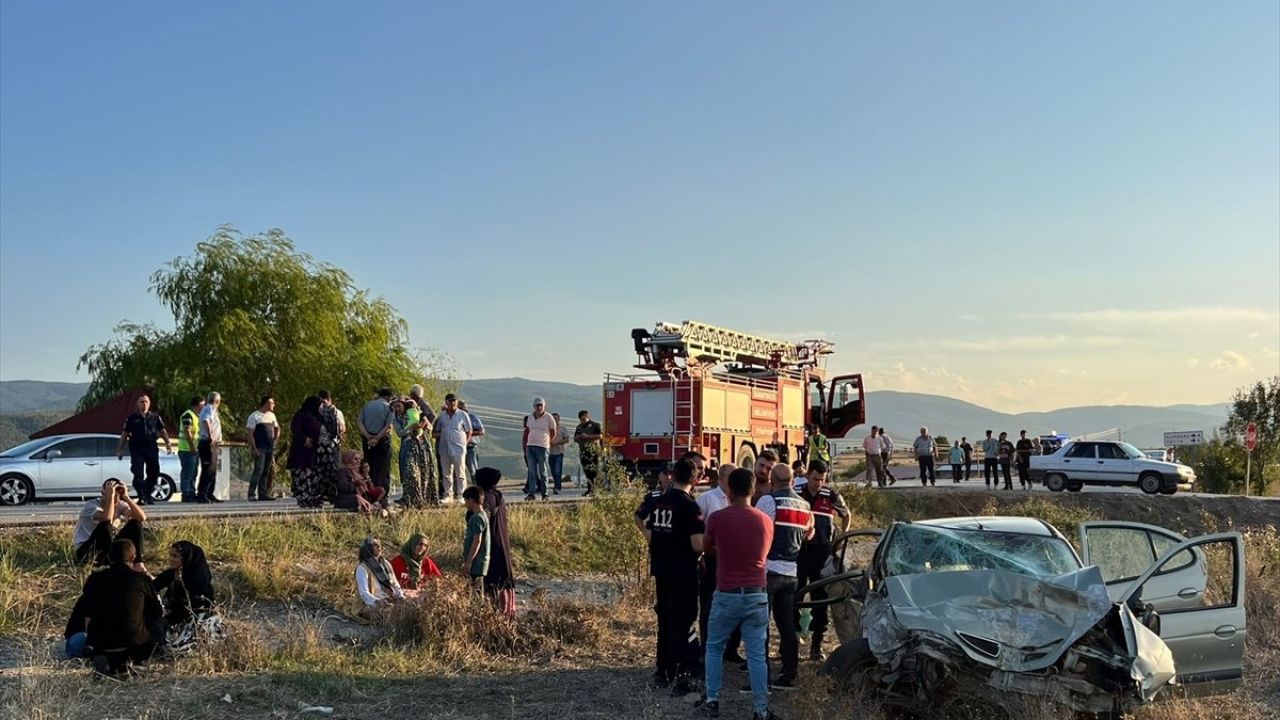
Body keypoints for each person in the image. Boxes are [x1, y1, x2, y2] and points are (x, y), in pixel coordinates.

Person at [700, 468, 776, 720]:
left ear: (729, 491)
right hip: (757, 593)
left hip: (727, 592)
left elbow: (707, 547)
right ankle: (761, 709)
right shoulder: (765, 520)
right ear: (753, 490)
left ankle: (712, 699)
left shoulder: (718, 519)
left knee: (714, 647)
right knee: (757, 655)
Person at [645, 458, 705, 697]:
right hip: (684, 572)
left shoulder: (661, 502)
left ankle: (663, 670)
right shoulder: (691, 507)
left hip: (661, 570)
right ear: (694, 479)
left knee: (665, 621)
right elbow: (697, 544)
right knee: (684, 622)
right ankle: (683, 671)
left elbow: (648, 527)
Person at [753, 463, 813, 689]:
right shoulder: (804, 505)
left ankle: (762, 675)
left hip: (769, 571)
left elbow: (756, 530)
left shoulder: (768, 501)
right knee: (787, 625)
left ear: (771, 479)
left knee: (761, 626)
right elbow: (808, 534)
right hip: (791, 572)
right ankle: (789, 673)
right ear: (792, 480)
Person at [75, 539, 163, 676]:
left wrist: (91, 641)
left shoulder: (95, 579)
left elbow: (87, 611)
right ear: (133, 558)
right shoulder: (140, 579)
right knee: (157, 623)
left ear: (109, 557)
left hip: (100, 642)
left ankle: (104, 658)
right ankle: (130, 663)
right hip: (135, 643)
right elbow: (157, 612)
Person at [796, 460, 849, 661]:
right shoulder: (797, 491)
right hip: (800, 552)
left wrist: (841, 539)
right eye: (815, 478)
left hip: (822, 553)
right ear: (808, 475)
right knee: (794, 597)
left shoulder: (831, 494)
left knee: (820, 601)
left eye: (822, 479)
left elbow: (846, 515)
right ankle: (792, 641)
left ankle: (816, 647)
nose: (818, 483)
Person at [697, 463, 740, 658]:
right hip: (712, 559)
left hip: (734, 561)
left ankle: (731, 649)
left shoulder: (740, 500)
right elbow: (698, 530)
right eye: (731, 477)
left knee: (735, 605)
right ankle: (706, 645)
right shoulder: (707, 499)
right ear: (722, 478)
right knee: (709, 604)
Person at [152, 540, 222, 653]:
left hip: (196, 619)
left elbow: (198, 606)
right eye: (170, 555)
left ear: (186, 558)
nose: (171, 559)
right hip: (176, 615)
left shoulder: (198, 578)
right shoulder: (175, 573)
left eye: (175, 556)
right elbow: (154, 587)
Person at [474, 468, 517, 617]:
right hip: (502, 542)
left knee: (491, 577)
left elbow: (481, 523)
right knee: (502, 575)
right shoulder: (498, 496)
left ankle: (492, 615)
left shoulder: (485, 498)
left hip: (490, 544)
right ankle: (507, 613)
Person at [74, 479, 147, 566]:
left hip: (108, 548)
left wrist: (126, 497)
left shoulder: (120, 504)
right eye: (112, 495)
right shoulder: (90, 505)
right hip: (87, 550)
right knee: (105, 526)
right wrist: (110, 497)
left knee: (136, 523)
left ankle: (139, 564)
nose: (115, 500)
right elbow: (107, 518)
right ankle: (110, 565)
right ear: (102, 493)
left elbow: (141, 517)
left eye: (117, 497)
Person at [116, 393, 171, 505]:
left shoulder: (155, 417)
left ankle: (147, 494)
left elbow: (162, 431)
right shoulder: (132, 418)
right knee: (138, 473)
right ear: (137, 403)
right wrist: (120, 449)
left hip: (151, 447)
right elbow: (125, 434)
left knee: (154, 472)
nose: (144, 404)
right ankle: (141, 496)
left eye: (146, 402)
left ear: (149, 403)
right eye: (142, 402)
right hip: (137, 448)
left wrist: (168, 443)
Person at [432, 393, 474, 503]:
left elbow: (469, 430)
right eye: (450, 401)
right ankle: (448, 495)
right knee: (446, 473)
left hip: (458, 448)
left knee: (460, 473)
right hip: (444, 448)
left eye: (454, 400)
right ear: (446, 402)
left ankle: (461, 495)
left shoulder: (462, 415)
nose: (452, 403)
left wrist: (465, 442)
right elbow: (435, 431)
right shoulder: (442, 416)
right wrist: (442, 434)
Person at [358, 388, 396, 507]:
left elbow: (359, 422)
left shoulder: (367, 405)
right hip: (382, 441)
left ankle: (370, 493)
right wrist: (377, 438)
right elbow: (388, 425)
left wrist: (368, 437)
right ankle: (381, 496)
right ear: (388, 397)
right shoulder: (389, 407)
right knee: (383, 468)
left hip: (367, 440)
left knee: (369, 467)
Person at [288, 396, 326, 508]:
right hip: (301, 450)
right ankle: (303, 499)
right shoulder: (301, 415)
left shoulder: (317, 416)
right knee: (302, 475)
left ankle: (313, 499)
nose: (320, 407)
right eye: (319, 405)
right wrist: (304, 439)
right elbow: (295, 428)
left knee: (313, 476)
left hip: (314, 451)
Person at [391, 397, 427, 508]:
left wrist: (421, 425)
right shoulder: (396, 419)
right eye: (395, 407)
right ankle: (407, 497)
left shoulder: (414, 412)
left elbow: (425, 422)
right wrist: (410, 428)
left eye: (399, 406)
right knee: (407, 471)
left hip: (419, 443)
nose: (397, 409)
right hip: (406, 445)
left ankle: (420, 497)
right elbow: (400, 433)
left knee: (420, 470)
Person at [408, 385, 439, 504]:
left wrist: (425, 425)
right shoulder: (415, 404)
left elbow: (431, 415)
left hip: (421, 435)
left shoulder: (421, 403)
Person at [355, 536, 407, 610]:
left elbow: (395, 583)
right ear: (367, 548)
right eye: (375, 545)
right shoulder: (362, 568)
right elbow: (364, 594)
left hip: (389, 600)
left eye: (379, 544)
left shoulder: (386, 563)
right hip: (370, 604)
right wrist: (379, 603)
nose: (379, 546)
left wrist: (401, 596)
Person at [245, 396, 280, 501]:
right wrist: (253, 448)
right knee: (258, 470)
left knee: (266, 470)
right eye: (272, 403)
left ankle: (262, 493)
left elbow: (277, 428)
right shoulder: (254, 416)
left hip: (270, 447)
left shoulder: (272, 416)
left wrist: (276, 440)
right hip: (260, 447)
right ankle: (251, 493)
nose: (274, 405)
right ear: (266, 403)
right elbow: (250, 433)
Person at [522, 397, 556, 501]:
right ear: (534, 406)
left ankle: (544, 494)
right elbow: (528, 430)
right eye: (537, 405)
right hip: (530, 446)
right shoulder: (530, 417)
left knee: (543, 471)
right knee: (531, 472)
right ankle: (531, 493)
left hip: (542, 447)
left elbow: (553, 431)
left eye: (541, 405)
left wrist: (548, 442)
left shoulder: (548, 417)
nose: (539, 407)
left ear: (544, 406)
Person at [315, 391, 344, 503]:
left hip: (321, 444)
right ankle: (334, 493)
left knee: (321, 469)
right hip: (334, 443)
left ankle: (323, 493)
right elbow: (342, 428)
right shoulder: (336, 411)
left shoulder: (317, 411)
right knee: (335, 468)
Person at [335, 450, 385, 514]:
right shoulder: (343, 471)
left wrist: (367, 479)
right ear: (348, 460)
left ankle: (373, 507)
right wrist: (356, 483)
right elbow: (343, 486)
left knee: (383, 499)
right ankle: (372, 508)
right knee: (358, 498)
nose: (358, 461)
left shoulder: (359, 471)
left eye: (359, 459)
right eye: (355, 459)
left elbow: (370, 488)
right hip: (347, 498)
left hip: (364, 496)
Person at [462, 486, 491, 593]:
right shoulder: (483, 516)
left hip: (476, 563)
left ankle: (479, 609)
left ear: (471, 500)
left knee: (475, 592)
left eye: (465, 501)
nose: (465, 504)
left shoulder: (477, 518)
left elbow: (477, 541)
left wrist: (469, 562)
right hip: (479, 562)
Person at [196, 392, 223, 503]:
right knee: (207, 469)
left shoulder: (209, 408)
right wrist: (211, 436)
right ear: (217, 401)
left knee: (212, 469)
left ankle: (209, 493)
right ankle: (202, 494)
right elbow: (207, 420)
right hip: (208, 442)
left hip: (212, 443)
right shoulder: (210, 408)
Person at [177, 396, 204, 502]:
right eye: (202, 405)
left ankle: (192, 492)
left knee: (193, 472)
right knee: (187, 473)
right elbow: (187, 431)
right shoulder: (188, 415)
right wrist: (192, 447)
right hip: (187, 449)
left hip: (194, 449)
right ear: (197, 405)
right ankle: (186, 493)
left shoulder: (197, 416)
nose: (204, 407)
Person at [573, 410, 604, 495]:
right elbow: (575, 439)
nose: (582, 421)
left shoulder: (595, 425)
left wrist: (588, 436)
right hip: (583, 451)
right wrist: (579, 437)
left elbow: (600, 436)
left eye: (584, 419)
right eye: (581, 419)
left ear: (588, 417)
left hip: (593, 451)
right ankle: (589, 489)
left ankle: (595, 489)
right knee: (587, 471)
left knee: (594, 471)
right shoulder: (579, 427)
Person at [458, 400, 485, 483]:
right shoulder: (454, 418)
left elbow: (482, 431)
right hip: (457, 448)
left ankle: (478, 489)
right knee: (458, 471)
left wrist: (468, 433)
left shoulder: (472, 418)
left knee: (473, 471)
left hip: (470, 447)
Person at [548, 413, 571, 495]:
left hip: (559, 453)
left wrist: (557, 443)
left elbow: (567, 439)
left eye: (556, 418)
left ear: (559, 419)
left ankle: (557, 487)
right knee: (553, 471)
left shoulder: (562, 428)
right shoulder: (548, 429)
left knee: (557, 471)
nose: (555, 420)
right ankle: (556, 485)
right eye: (553, 418)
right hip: (550, 453)